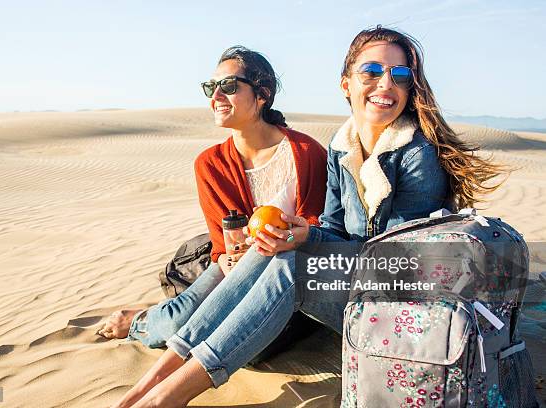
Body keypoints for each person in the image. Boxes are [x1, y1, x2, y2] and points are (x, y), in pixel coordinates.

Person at [111, 26, 505, 408]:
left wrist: (309, 242)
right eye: (371, 71)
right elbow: (332, 227)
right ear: (346, 84)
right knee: (270, 251)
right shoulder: (341, 147)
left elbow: (396, 260)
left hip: (405, 306)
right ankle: (152, 384)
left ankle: (167, 397)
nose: (385, 84)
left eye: (399, 75)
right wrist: (302, 233)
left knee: (290, 268)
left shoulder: (417, 154)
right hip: (359, 290)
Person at [97, 46, 327, 352]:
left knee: (246, 343)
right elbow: (222, 247)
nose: (216, 96)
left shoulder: (307, 153)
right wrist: (232, 260)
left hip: (287, 269)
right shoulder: (210, 164)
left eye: (229, 86)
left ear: (262, 95)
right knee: (176, 327)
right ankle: (139, 320)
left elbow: (319, 224)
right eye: (210, 87)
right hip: (236, 267)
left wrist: (289, 238)